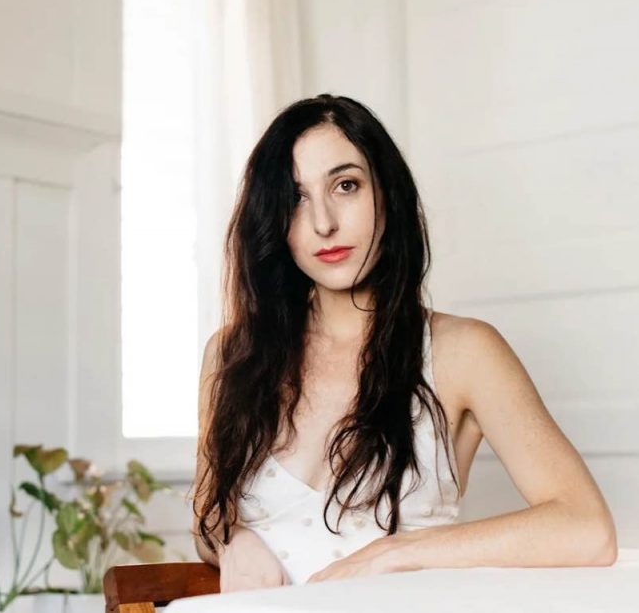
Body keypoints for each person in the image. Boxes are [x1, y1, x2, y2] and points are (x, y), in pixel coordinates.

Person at [189, 94, 617, 592]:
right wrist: (234, 541)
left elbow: (587, 529)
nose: (323, 223)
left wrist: (397, 552)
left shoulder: (463, 351)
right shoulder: (232, 354)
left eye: (345, 185)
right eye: (295, 197)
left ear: (387, 193)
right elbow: (208, 517)